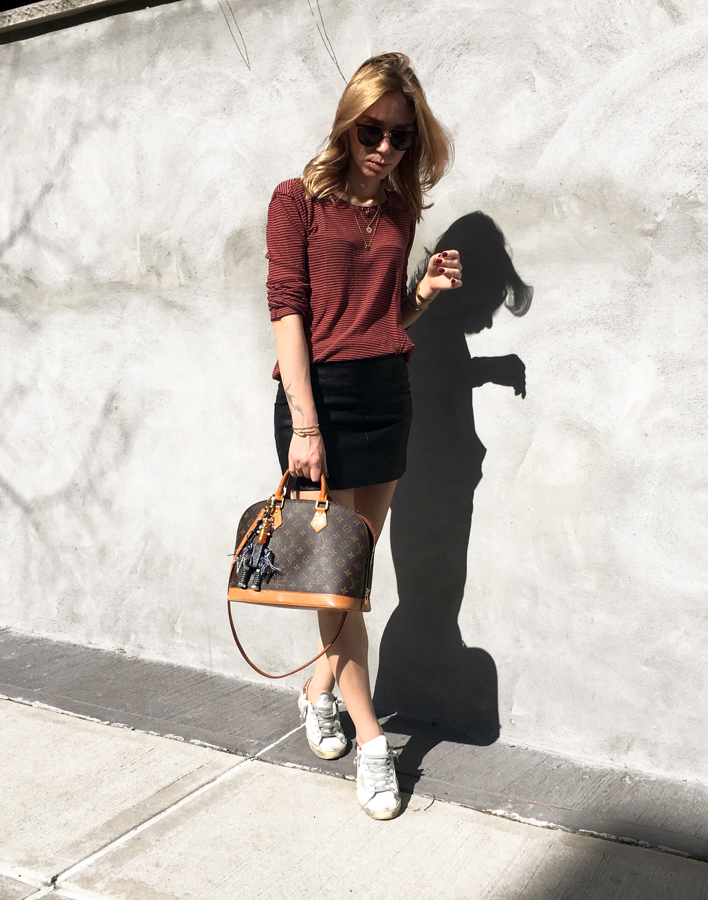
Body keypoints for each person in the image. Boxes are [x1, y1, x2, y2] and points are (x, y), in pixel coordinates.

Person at [265, 52, 458, 819]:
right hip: (321, 404)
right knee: (340, 587)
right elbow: (288, 311)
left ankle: (319, 689)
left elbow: (379, 318)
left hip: (386, 397)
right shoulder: (297, 201)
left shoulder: (401, 211)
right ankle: (375, 745)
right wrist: (305, 426)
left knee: (351, 577)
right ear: (347, 124)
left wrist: (423, 293)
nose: (384, 147)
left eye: (401, 136)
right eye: (371, 130)